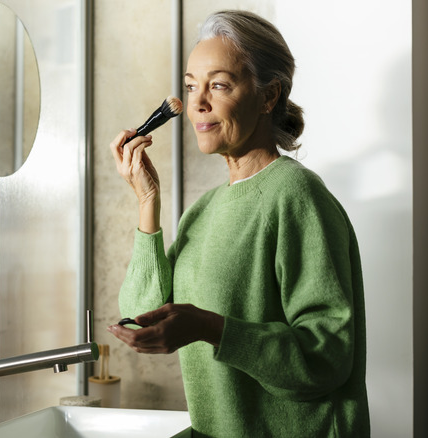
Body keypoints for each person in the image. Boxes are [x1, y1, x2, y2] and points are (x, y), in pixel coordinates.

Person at [107, 10, 369, 437]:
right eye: (191, 86)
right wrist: (146, 199)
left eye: (219, 85)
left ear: (269, 97)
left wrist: (212, 328)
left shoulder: (296, 196)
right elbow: (140, 315)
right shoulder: (204, 210)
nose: (198, 102)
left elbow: (327, 358)